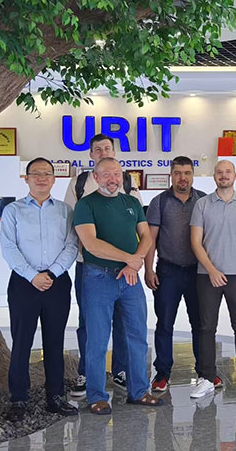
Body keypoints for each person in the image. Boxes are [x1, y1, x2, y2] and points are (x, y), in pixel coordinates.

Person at [73, 157, 162, 415]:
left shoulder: (132, 203)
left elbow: (146, 236)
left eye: (116, 174)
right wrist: (128, 258)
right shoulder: (85, 205)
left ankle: (139, 391)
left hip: (130, 279)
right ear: (96, 178)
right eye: (106, 175)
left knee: (137, 336)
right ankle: (97, 396)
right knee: (97, 339)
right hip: (98, 278)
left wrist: (134, 264)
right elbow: (91, 244)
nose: (112, 179)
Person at [0, 158, 79, 421]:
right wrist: (33, 276)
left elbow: (72, 245)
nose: (42, 178)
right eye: (36, 174)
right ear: (26, 179)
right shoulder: (13, 210)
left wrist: (52, 273)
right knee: (22, 342)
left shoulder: (66, 211)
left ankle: (55, 397)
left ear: (54, 179)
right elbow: (9, 247)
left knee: (55, 342)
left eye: (47, 174)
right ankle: (18, 399)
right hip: (24, 283)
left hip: (57, 283)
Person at [63, 134, 142, 397]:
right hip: (90, 267)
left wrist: (134, 261)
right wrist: (90, 254)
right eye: (98, 149)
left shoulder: (128, 183)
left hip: (126, 269)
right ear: (91, 156)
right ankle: (87, 374)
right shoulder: (79, 184)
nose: (103, 152)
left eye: (107, 148)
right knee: (90, 324)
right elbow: (73, 227)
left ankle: (121, 371)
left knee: (125, 323)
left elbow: (139, 227)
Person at [144, 155, 219, 392]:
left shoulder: (203, 200)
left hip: (198, 273)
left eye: (187, 173)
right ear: (171, 175)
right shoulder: (159, 202)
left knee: (201, 324)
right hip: (168, 271)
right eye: (177, 173)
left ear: (193, 175)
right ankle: (162, 373)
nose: (182, 178)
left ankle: (206, 372)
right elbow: (150, 239)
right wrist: (148, 269)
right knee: (165, 324)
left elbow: (211, 236)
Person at [189, 160, 236, 398]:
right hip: (207, 275)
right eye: (219, 172)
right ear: (214, 177)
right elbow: (195, 242)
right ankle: (207, 378)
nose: (224, 175)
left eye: (228, 172)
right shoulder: (202, 204)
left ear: (235, 176)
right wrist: (211, 270)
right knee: (206, 327)